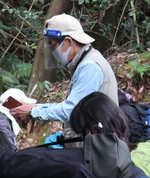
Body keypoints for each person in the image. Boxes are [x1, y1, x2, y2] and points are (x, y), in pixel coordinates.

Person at [9, 14, 118, 143]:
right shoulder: (85, 61)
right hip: (90, 143)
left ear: (67, 42)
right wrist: (34, 107)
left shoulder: (90, 67)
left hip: (97, 149)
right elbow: (73, 105)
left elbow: (71, 110)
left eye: (52, 45)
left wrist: (33, 111)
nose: (52, 50)